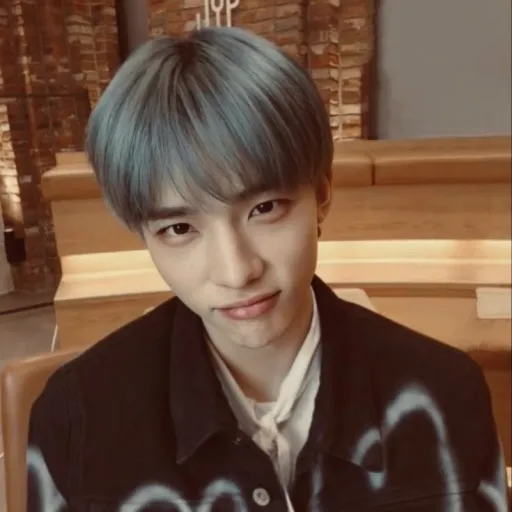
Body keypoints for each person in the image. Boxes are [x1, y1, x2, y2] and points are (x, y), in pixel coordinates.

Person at [27, 27, 508, 511]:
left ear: (321, 194)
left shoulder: (447, 395)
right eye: (179, 228)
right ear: (143, 236)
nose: (237, 271)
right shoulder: (76, 420)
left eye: (265, 208)